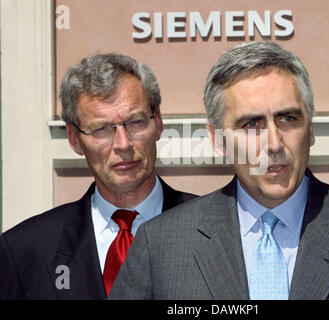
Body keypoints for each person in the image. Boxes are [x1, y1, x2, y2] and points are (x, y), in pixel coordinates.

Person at [109, 42, 329, 300]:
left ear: (311, 128)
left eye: (288, 119)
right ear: (217, 139)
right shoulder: (161, 246)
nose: (274, 143)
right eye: (251, 124)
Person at [0, 53, 197, 299]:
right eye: (101, 129)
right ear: (74, 139)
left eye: (135, 122)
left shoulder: (220, 231)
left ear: (157, 122)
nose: (123, 144)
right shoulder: (25, 250)